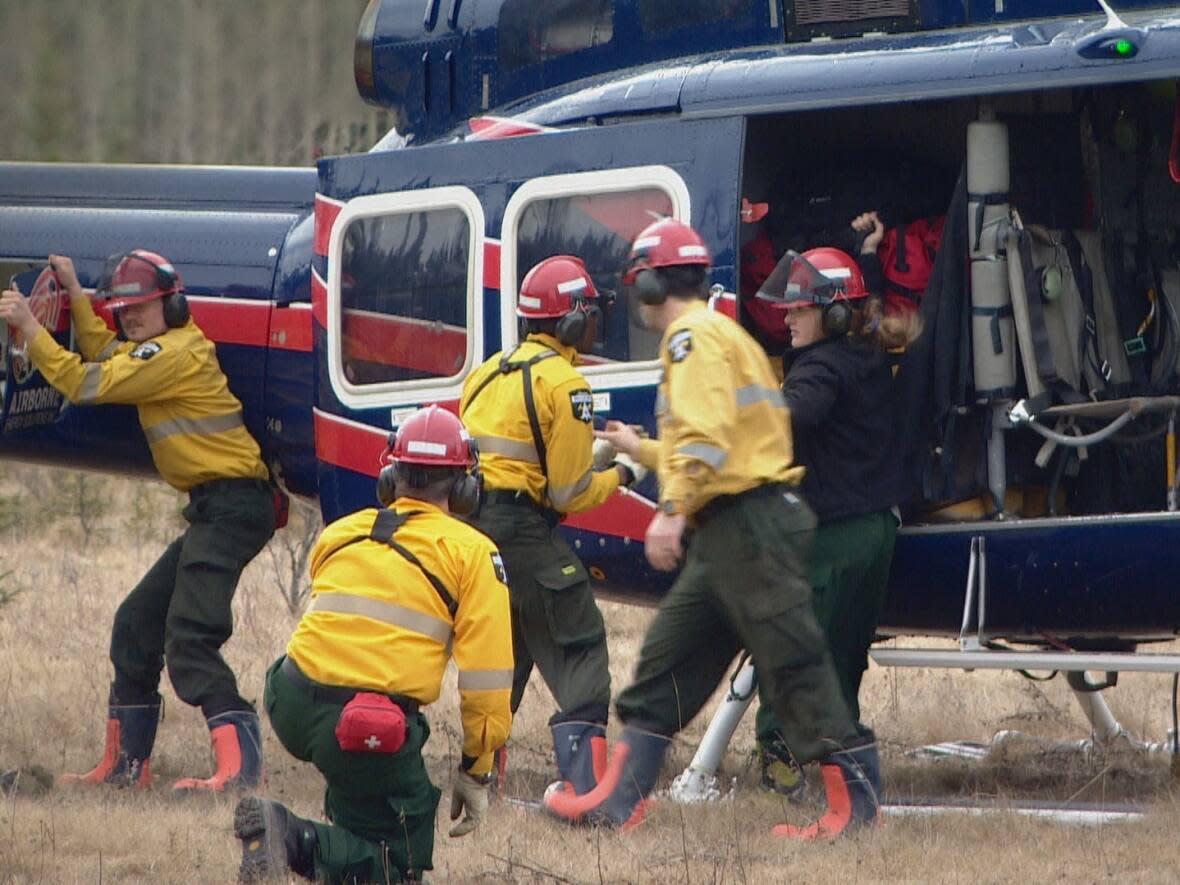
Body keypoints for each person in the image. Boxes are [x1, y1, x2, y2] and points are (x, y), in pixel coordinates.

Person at [545, 218, 881, 840]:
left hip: (749, 525)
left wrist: (670, 511)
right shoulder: (717, 334)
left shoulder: (689, 340)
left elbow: (704, 441)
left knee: (794, 665)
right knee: (666, 659)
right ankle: (619, 800)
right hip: (730, 526)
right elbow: (715, 438)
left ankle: (853, 808)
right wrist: (640, 450)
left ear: (648, 281)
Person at [0, 251, 276, 792]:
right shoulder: (157, 350)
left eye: (140, 310)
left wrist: (31, 330)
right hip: (214, 507)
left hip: (235, 506)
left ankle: (242, 769)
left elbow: (85, 382)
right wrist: (79, 296)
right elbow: (107, 357)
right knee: (135, 625)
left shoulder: (176, 352)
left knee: (190, 638)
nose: (129, 320)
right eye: (122, 311)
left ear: (172, 305)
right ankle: (126, 770)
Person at [234, 405, 513, 883]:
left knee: (362, 795)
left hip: (290, 696)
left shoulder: (341, 531)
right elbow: (486, 679)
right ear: (465, 488)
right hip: (362, 721)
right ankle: (290, 834)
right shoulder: (472, 552)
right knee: (395, 865)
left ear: (390, 477)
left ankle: (337, 827)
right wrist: (476, 769)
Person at [459, 254, 645, 799]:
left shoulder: (486, 373)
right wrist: (625, 472)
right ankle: (587, 786)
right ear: (568, 321)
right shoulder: (566, 384)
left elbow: (521, 455)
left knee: (506, 652)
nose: (593, 323)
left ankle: (479, 779)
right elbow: (570, 492)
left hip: (476, 533)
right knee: (580, 641)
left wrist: (599, 449)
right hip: (523, 531)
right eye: (587, 312)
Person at [751, 237, 911, 797]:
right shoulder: (865, 356)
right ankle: (844, 774)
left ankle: (782, 763)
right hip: (878, 530)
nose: (787, 315)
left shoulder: (820, 367)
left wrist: (736, 411)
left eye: (800, 307)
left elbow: (799, 411)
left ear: (836, 312)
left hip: (836, 534)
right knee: (843, 658)